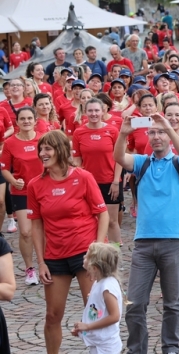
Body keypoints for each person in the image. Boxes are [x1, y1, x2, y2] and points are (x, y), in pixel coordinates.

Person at [113, 114, 179, 354]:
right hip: (143, 244)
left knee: (172, 303)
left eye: (161, 133)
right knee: (135, 304)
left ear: (169, 136)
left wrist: (168, 126)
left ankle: (171, 348)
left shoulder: (178, 164)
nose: (156, 137)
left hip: (174, 241)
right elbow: (118, 157)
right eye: (152, 133)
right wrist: (124, 132)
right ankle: (137, 349)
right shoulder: (142, 162)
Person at [29, 130, 109, 354]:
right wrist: (41, 261)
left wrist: (96, 248)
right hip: (55, 256)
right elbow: (36, 224)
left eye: (47, 149)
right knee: (52, 315)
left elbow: (102, 214)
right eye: (40, 149)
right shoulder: (35, 185)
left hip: (85, 254)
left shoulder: (83, 177)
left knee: (94, 311)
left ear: (61, 150)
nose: (42, 154)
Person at [0, 107, 43, 285]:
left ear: (35, 120)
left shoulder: (43, 138)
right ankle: (30, 268)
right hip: (21, 192)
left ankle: (46, 264)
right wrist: (13, 181)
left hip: (43, 190)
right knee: (25, 232)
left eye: (29, 118)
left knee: (45, 230)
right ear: (16, 122)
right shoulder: (10, 143)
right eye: (22, 119)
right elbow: (4, 168)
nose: (26, 121)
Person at [72, 98, 123, 247]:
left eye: (96, 110)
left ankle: (115, 254)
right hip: (88, 183)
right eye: (90, 111)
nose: (94, 114)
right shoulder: (79, 132)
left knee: (112, 221)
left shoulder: (112, 131)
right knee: (92, 220)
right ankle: (95, 253)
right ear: (85, 112)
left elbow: (119, 158)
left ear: (103, 111)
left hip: (110, 182)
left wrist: (116, 181)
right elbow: (77, 161)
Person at [70, 242, 123, 354]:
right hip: (99, 343)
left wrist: (88, 326)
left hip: (106, 346)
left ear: (94, 268)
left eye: (86, 256)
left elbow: (115, 316)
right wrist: (81, 327)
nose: (83, 257)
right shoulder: (98, 283)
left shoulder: (107, 287)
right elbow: (96, 309)